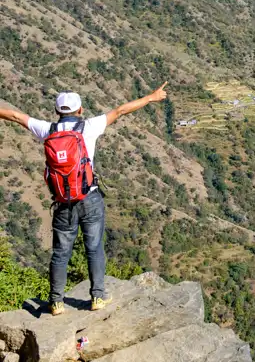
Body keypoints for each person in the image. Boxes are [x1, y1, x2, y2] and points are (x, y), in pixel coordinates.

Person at [0, 82, 169, 315]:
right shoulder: (89, 126)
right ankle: (97, 297)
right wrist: (151, 97)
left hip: (62, 203)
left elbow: (15, 116)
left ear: (58, 111)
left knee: (61, 253)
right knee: (94, 247)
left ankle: (57, 302)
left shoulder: (47, 130)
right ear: (80, 110)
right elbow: (120, 110)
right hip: (89, 199)